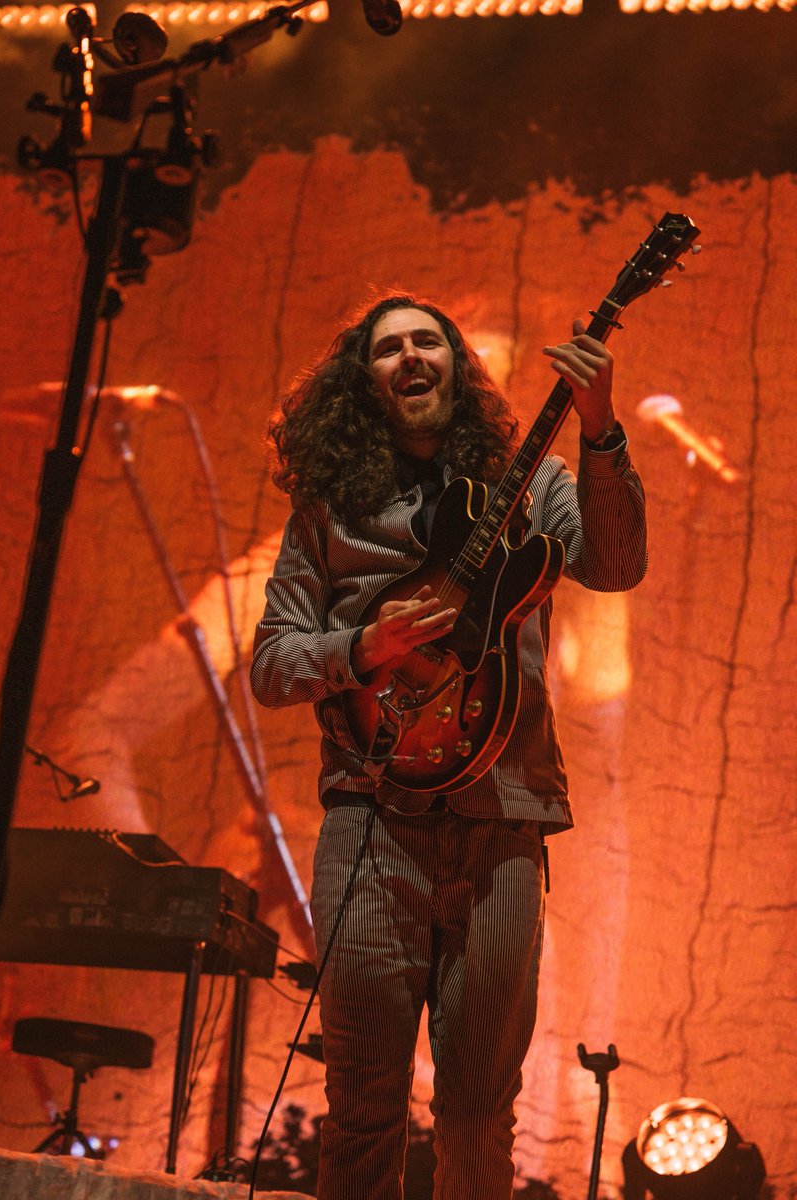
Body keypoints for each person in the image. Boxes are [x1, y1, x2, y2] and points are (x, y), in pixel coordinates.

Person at [250, 293, 647, 1200]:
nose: (411, 357)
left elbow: (616, 567)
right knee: (361, 1103)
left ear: (458, 366)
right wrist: (362, 648)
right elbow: (272, 664)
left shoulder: (536, 481)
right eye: (388, 349)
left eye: (428, 341)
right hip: (371, 818)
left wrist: (600, 430)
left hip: (503, 819)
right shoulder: (330, 512)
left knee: (477, 1108)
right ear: (365, 381)